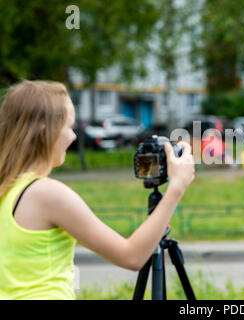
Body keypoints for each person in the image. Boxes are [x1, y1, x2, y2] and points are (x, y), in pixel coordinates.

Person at [0, 80, 195, 300]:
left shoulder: (7, 189)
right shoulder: (47, 194)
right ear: (46, 131)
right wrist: (176, 187)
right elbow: (131, 256)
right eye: (69, 127)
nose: (73, 137)